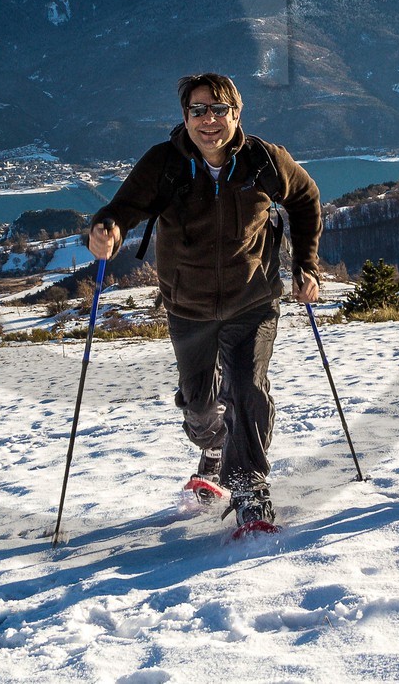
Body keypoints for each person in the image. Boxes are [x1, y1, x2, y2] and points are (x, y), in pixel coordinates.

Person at [87, 73, 322, 530]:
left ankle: (249, 485)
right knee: (199, 405)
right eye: (198, 110)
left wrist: (306, 265)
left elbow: (307, 199)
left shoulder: (265, 161)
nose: (209, 120)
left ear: (237, 114)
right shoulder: (165, 164)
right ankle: (213, 447)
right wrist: (108, 229)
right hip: (187, 306)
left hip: (252, 298)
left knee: (246, 387)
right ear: (185, 117)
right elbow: (124, 208)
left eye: (219, 110)